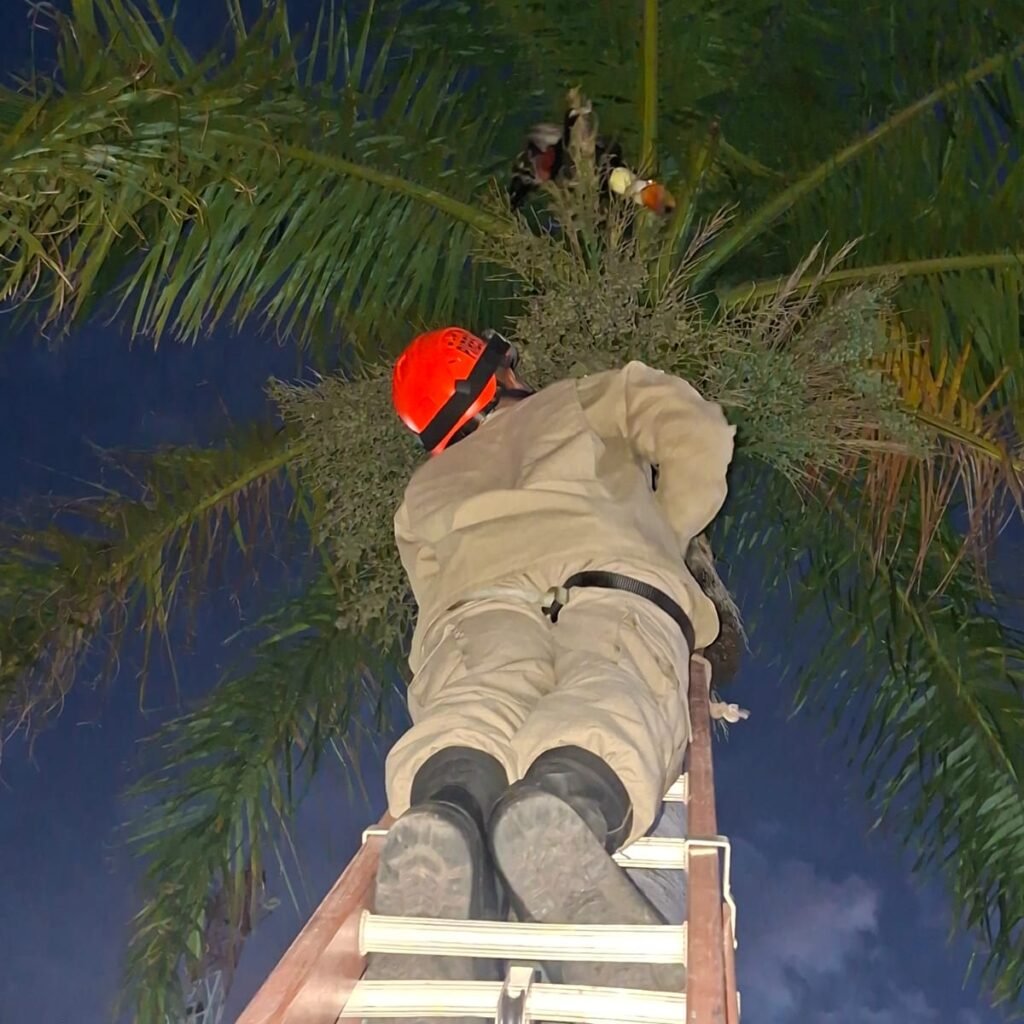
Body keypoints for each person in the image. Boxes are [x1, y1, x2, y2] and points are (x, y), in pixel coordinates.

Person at [364, 326, 735, 1009]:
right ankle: (561, 805)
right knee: (609, 691)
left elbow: (431, 589)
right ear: (497, 371)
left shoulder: (422, 493)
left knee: (472, 708)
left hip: (478, 607)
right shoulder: (585, 397)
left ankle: (448, 811)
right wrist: (660, 532)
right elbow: (698, 433)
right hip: (611, 580)